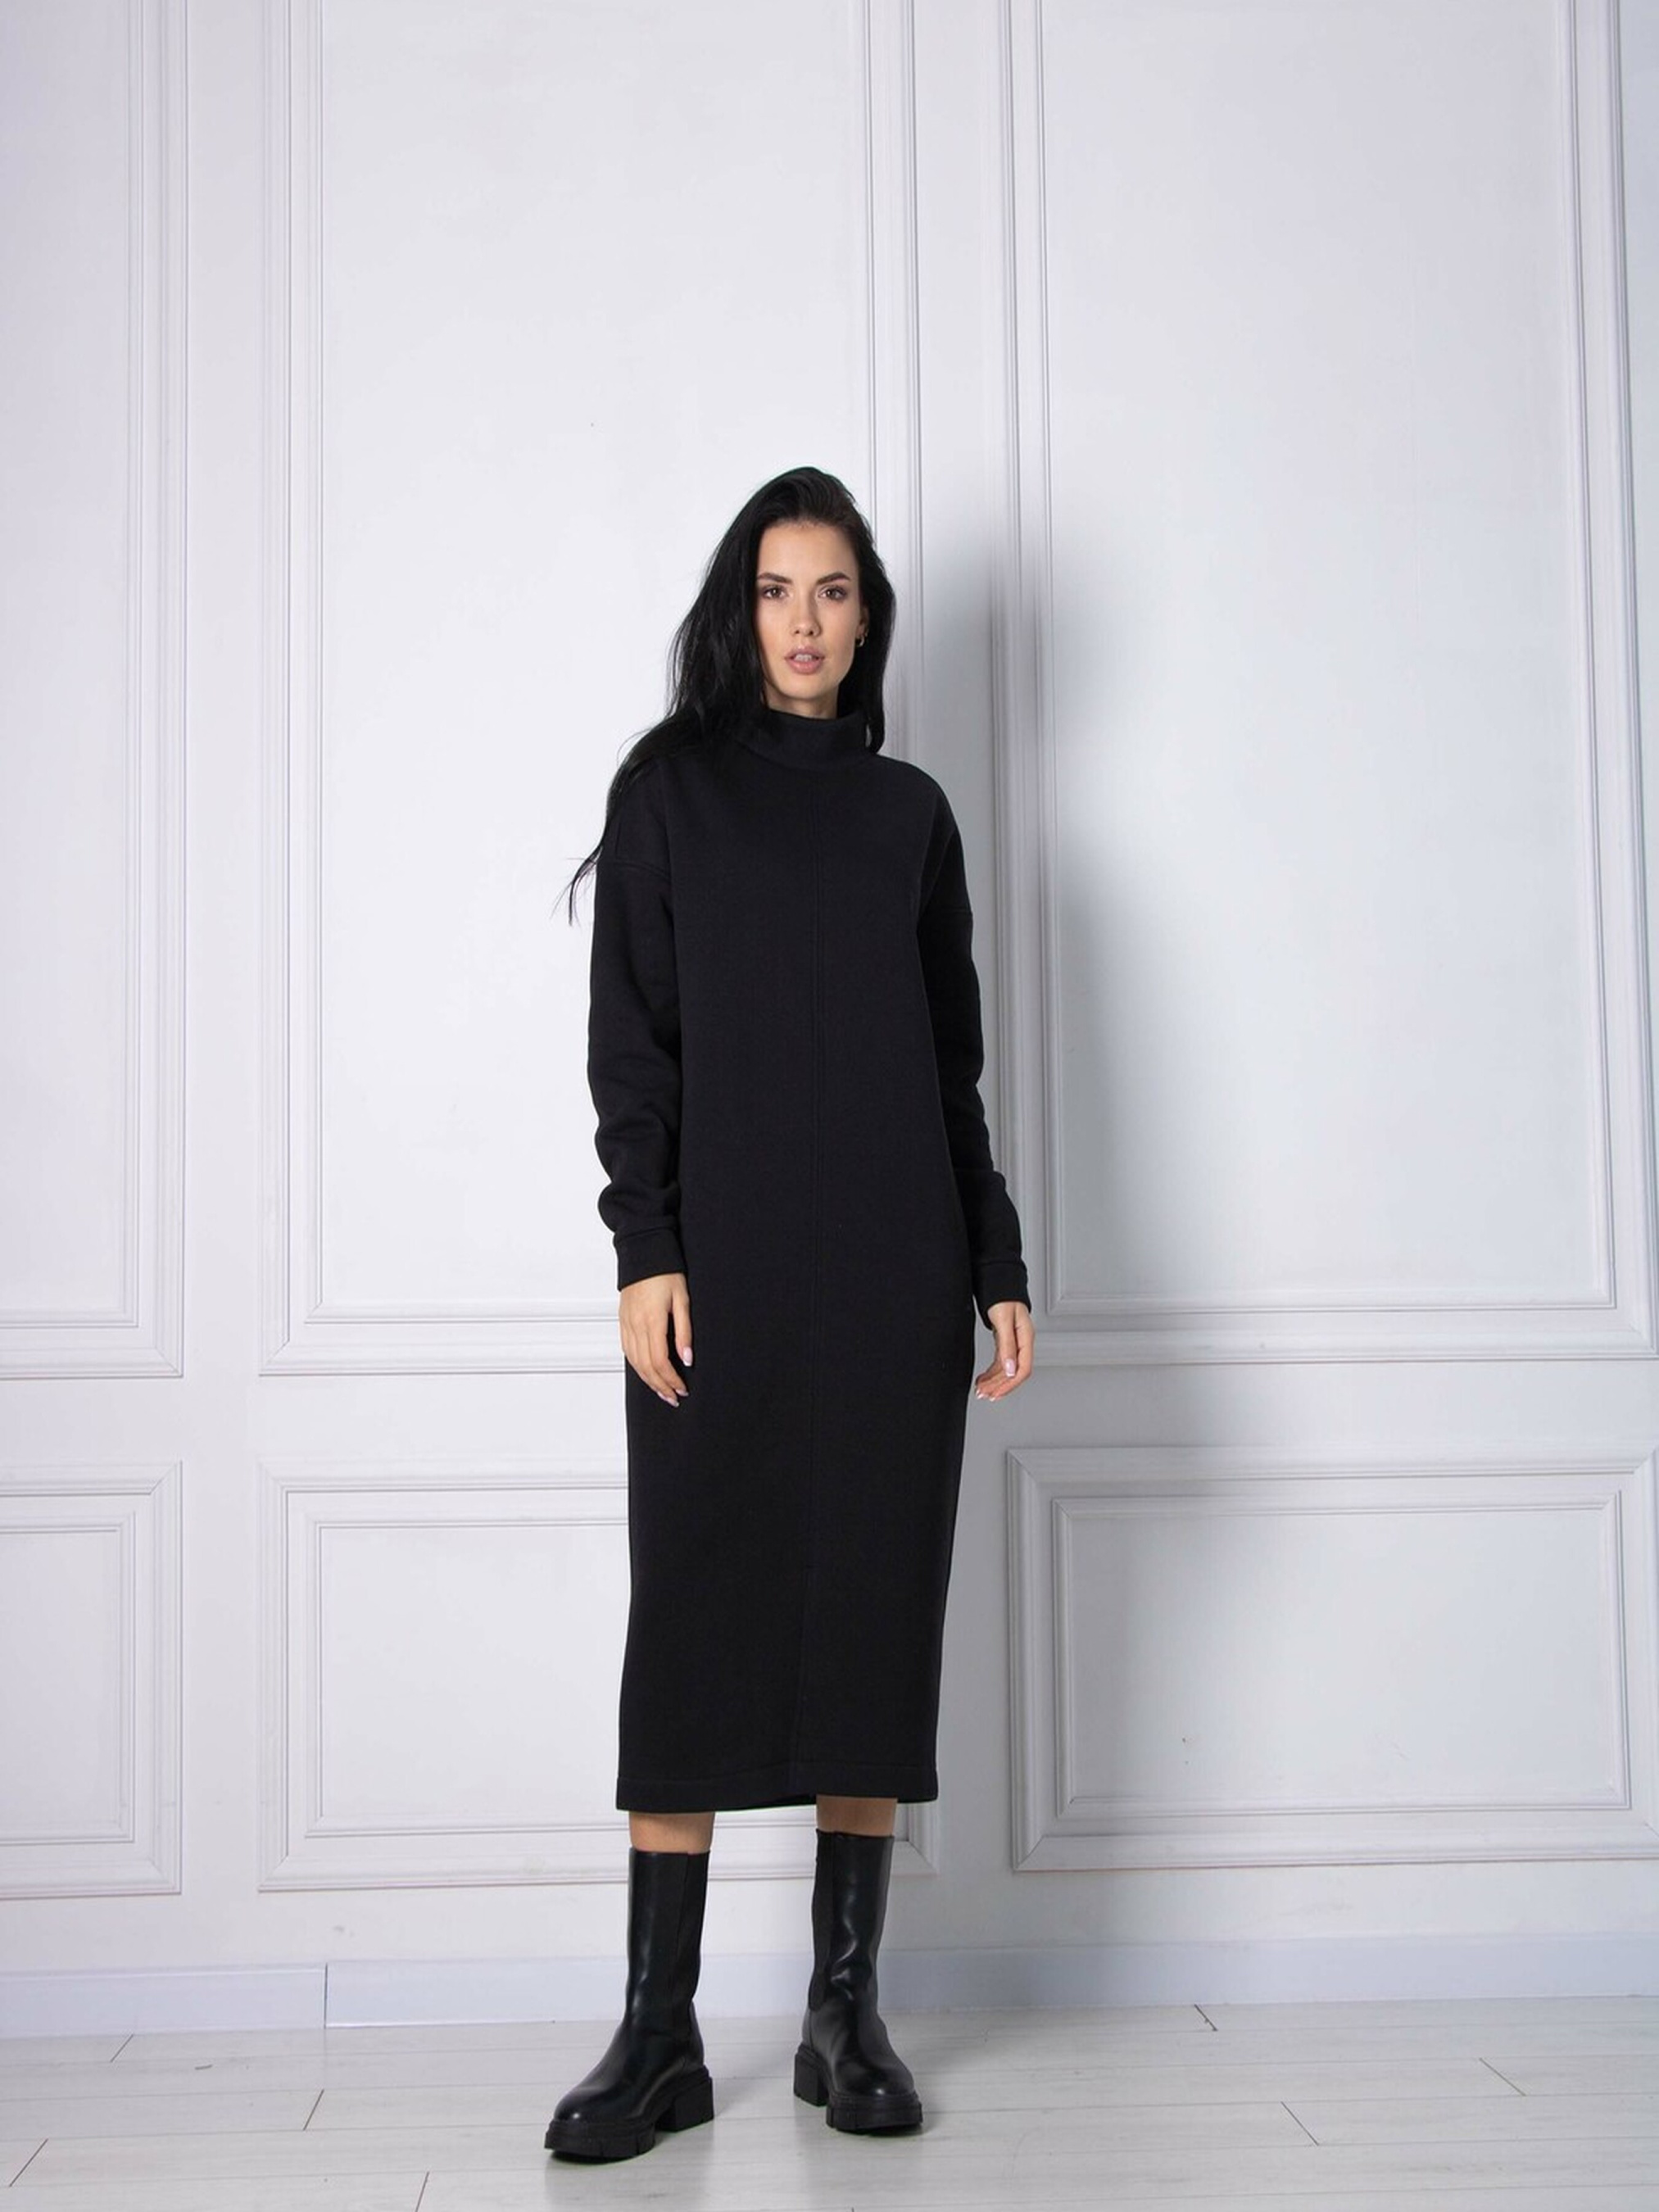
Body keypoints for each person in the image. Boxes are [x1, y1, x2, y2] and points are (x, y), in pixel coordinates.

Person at [546, 465, 1035, 2163]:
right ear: (736, 611)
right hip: (724, 1284)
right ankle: (658, 2032)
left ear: (866, 616)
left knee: (872, 1625)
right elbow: (631, 1049)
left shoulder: (909, 816)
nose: (804, 622)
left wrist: (994, 1262)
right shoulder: (671, 793)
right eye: (775, 590)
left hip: (895, 1278)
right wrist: (643, 1247)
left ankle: (844, 2012)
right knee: (691, 1625)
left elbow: (947, 1069)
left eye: (832, 591)